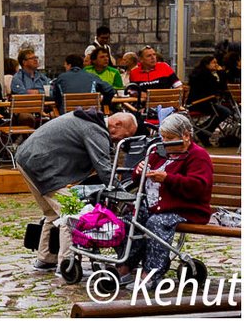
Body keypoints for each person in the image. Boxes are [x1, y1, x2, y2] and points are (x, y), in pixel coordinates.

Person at [14, 109, 139, 269]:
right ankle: (67, 263)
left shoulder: (89, 120)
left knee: (52, 213)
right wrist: (122, 193)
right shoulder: (95, 129)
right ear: (117, 124)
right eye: (126, 135)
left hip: (27, 159)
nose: (123, 141)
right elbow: (103, 166)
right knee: (72, 213)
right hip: (42, 165)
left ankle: (46, 258)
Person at [127, 113, 214, 283]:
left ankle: (152, 273)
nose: (165, 142)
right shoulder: (160, 151)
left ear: (186, 136)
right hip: (156, 205)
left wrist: (167, 179)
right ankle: (126, 265)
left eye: (169, 138)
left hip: (186, 208)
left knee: (157, 223)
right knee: (131, 218)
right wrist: (140, 171)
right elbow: (137, 178)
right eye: (163, 137)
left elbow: (199, 187)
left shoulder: (198, 156)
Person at [186, 53, 235, 146]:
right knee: (225, 112)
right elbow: (218, 87)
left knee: (223, 111)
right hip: (201, 102)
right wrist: (221, 73)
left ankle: (204, 130)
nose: (216, 65)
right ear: (206, 64)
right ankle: (205, 130)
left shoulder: (200, 73)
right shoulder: (205, 75)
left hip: (202, 102)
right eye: (213, 63)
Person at [50, 52, 116, 113]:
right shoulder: (92, 77)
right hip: (90, 116)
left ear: (69, 65)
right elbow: (110, 90)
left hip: (67, 117)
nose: (64, 67)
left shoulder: (61, 78)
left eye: (65, 65)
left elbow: (56, 97)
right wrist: (104, 104)